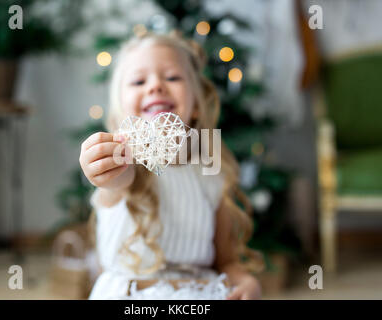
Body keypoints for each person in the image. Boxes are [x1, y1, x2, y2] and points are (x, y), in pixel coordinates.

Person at [79, 31, 264, 300]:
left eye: (173, 77)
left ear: (197, 104)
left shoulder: (211, 172)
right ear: (120, 112)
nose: (155, 86)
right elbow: (114, 182)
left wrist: (246, 282)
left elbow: (225, 262)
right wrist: (101, 165)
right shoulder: (124, 167)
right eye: (138, 81)